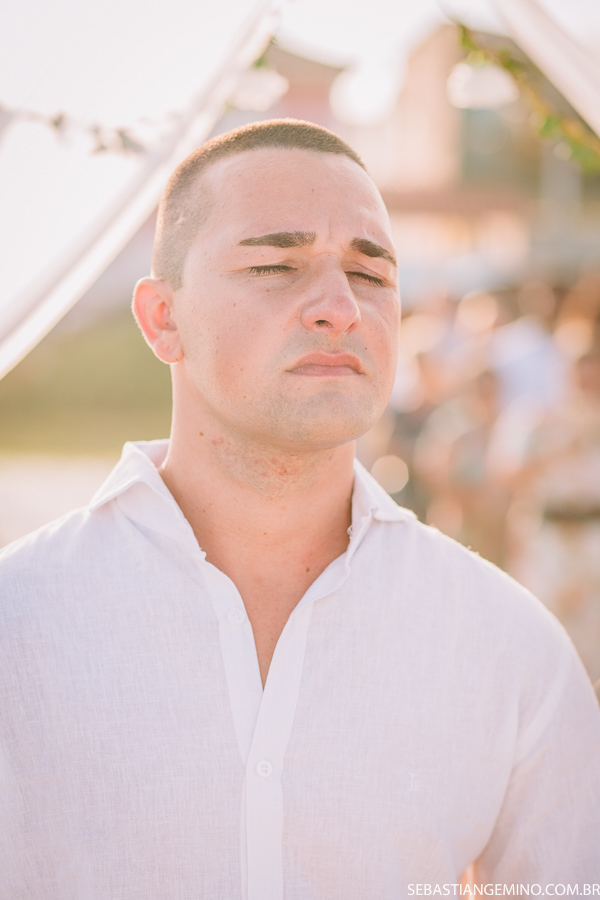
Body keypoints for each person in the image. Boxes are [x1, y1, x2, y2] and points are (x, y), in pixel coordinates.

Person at [0, 119, 599, 899]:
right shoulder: (22, 623)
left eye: (372, 274)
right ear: (163, 318)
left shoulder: (509, 647)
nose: (340, 307)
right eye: (277, 265)